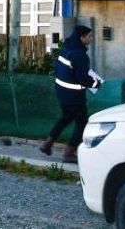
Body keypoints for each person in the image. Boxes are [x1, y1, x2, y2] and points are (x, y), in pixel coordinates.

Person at [40, 25, 102, 164]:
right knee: (82, 123)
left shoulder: (66, 49)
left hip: (61, 92)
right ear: (82, 38)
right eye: (89, 36)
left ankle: (47, 144)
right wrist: (96, 84)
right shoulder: (80, 55)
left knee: (66, 118)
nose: (90, 39)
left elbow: (59, 68)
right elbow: (83, 79)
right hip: (74, 95)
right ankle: (68, 153)